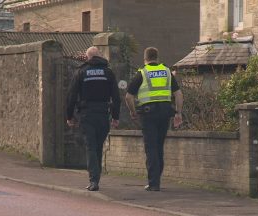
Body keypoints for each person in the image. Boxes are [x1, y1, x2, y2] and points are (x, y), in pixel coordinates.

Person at [125, 47, 183, 191]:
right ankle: (156, 179)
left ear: (145, 59)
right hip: (165, 112)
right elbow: (179, 94)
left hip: (148, 114)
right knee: (159, 146)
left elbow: (128, 96)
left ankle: (154, 183)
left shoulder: (142, 73)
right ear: (157, 57)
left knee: (151, 148)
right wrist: (178, 113)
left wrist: (133, 112)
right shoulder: (167, 71)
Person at [66, 46, 121, 191]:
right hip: (103, 114)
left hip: (87, 114)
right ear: (99, 56)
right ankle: (96, 178)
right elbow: (116, 97)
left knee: (90, 146)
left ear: (88, 57)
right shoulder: (108, 72)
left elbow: (71, 96)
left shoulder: (81, 72)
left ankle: (94, 180)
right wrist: (116, 117)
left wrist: (69, 116)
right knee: (98, 146)